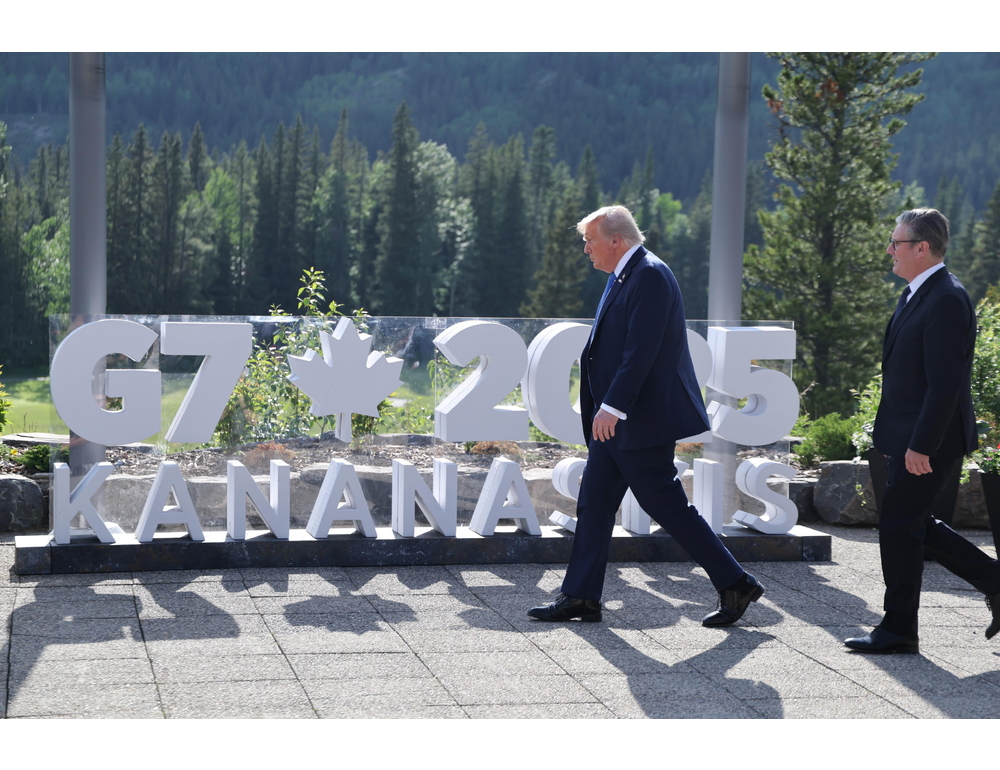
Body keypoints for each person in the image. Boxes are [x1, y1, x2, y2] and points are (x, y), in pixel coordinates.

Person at [528, 205, 763, 625]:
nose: (586, 249)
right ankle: (581, 596)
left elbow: (641, 352)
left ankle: (736, 582)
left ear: (616, 241)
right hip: (618, 421)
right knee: (595, 503)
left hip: (636, 420)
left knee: (666, 505)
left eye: (591, 241)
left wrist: (612, 407)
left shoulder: (650, 275)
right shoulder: (626, 273)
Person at [845, 208, 1000, 654]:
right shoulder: (917, 292)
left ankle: (898, 629)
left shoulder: (946, 298)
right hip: (908, 436)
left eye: (896, 243)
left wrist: (920, 446)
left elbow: (943, 387)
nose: (889, 250)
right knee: (910, 523)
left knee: (899, 525)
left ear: (922, 248)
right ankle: (994, 583)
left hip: (930, 440)